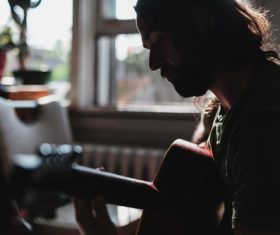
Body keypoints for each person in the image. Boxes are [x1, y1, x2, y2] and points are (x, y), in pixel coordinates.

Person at [75, 0, 280, 234]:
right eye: (148, 47)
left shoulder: (263, 127)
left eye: (160, 39)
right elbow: (184, 205)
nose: (153, 63)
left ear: (203, 21)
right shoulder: (218, 111)